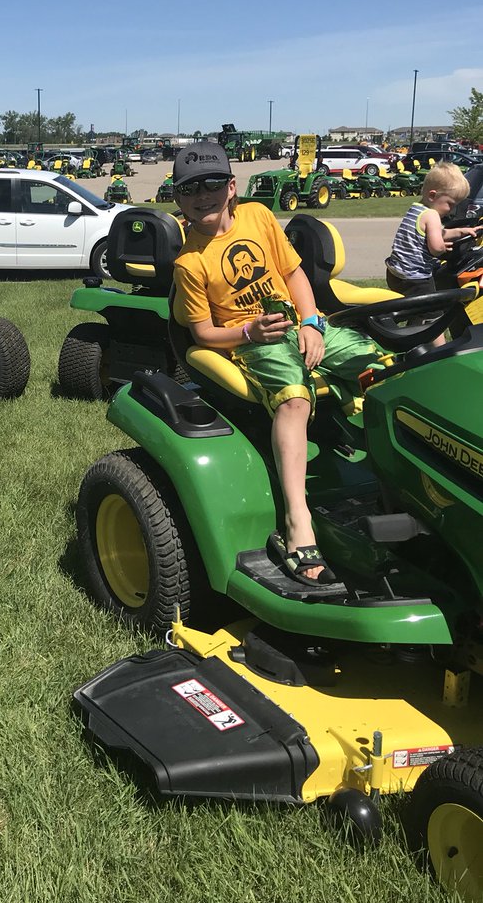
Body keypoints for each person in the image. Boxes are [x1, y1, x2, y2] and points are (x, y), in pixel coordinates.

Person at [172, 142, 384, 586]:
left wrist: (310, 323)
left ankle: (399, 475)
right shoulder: (189, 262)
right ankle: (298, 522)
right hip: (251, 340)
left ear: (231, 187)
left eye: (212, 183)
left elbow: (293, 274)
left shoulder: (259, 217)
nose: (202, 194)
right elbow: (203, 334)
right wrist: (249, 333)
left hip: (299, 325)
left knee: (387, 364)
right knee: (294, 397)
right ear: (178, 199)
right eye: (190, 188)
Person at [385, 162, 482, 345]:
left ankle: (413, 340)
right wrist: (444, 248)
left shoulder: (417, 209)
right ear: (433, 195)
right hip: (415, 278)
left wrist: (461, 232)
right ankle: (440, 352)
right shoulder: (433, 216)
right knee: (434, 315)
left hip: (397, 273)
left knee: (419, 310)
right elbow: (436, 248)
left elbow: (437, 234)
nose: (452, 210)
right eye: (450, 204)